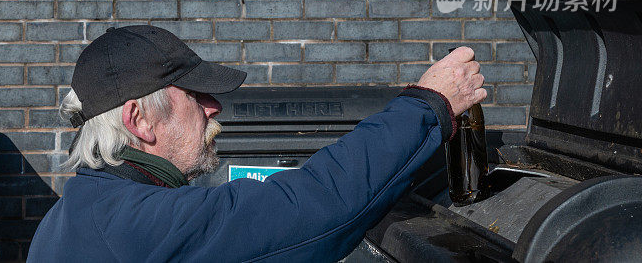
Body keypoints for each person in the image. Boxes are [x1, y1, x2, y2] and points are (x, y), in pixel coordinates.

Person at [28, 25, 485, 263]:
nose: (213, 107)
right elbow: (316, 206)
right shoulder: (138, 226)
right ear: (139, 120)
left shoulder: (68, 217)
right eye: (194, 95)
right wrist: (430, 105)